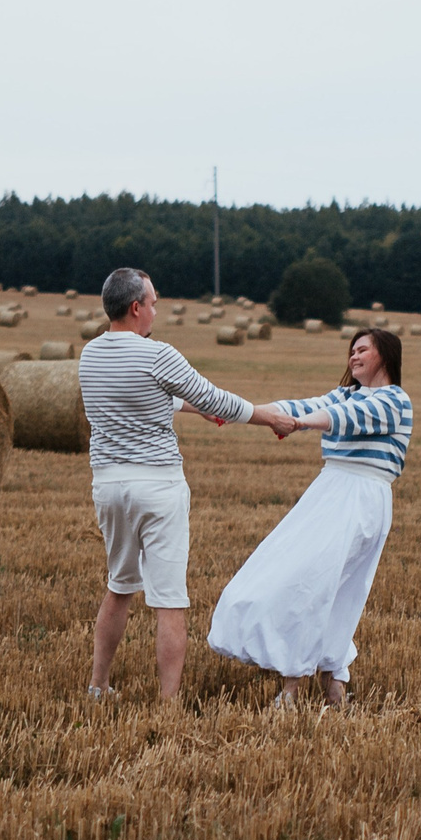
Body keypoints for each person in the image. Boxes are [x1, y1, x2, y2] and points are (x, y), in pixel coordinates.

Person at [79, 267, 297, 702]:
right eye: (154, 302)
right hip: (157, 487)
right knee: (169, 600)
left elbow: (145, 395)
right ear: (137, 307)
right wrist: (266, 415)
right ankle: (169, 702)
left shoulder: (91, 355)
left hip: (109, 486)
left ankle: (98, 686)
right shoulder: (158, 354)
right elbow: (214, 397)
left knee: (119, 586)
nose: (157, 310)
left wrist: (191, 409)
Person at [207, 326, 411, 708]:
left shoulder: (395, 400)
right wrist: (237, 413)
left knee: (317, 587)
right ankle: (334, 687)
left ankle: (295, 688)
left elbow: (345, 417)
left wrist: (300, 424)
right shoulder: (346, 394)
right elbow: (299, 406)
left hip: (360, 498)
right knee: (323, 588)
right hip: (330, 492)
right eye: (351, 350)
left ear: (385, 354)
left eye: (362, 349)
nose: (353, 356)